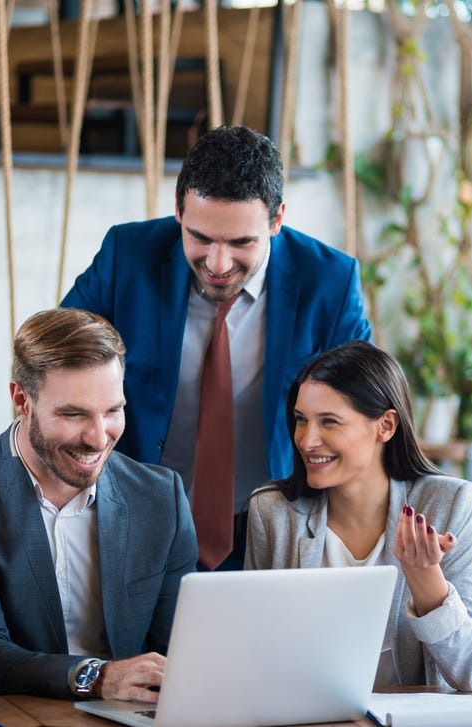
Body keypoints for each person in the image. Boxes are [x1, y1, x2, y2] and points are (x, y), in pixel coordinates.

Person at [62, 125, 372, 570]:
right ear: (178, 211)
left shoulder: (331, 283)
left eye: (242, 242)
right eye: (200, 238)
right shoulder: (126, 255)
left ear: (277, 219)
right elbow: (55, 362)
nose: (218, 264)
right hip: (133, 519)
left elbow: (364, 412)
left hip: (272, 529)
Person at [0, 308, 197, 703]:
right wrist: (96, 676)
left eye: (113, 411)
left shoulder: (160, 496)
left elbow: (180, 652)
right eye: (74, 414)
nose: (99, 439)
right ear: (21, 399)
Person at [245, 340, 472, 691]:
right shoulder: (273, 512)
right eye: (301, 420)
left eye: (329, 422)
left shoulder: (452, 505)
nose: (306, 440)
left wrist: (427, 585)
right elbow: (254, 655)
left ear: (386, 426)